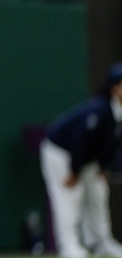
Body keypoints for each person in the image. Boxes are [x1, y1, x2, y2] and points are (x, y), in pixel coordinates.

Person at [42, 64, 122, 258]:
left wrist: (104, 167)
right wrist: (74, 171)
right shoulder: (99, 109)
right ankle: (68, 246)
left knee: (98, 193)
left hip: (88, 158)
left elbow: (112, 142)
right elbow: (81, 140)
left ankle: (101, 243)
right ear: (114, 87)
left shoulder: (117, 112)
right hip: (61, 152)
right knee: (69, 195)